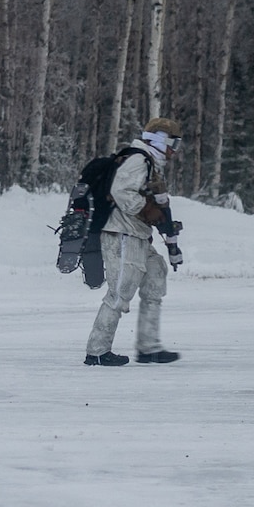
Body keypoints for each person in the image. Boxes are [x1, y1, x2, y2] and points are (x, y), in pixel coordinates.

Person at [84, 117, 184, 366]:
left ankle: (148, 347)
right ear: (160, 140)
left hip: (137, 234)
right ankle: (97, 351)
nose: (174, 150)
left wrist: (160, 220)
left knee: (155, 275)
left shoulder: (151, 163)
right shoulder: (139, 159)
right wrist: (145, 209)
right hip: (121, 234)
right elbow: (121, 191)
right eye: (173, 143)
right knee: (120, 291)